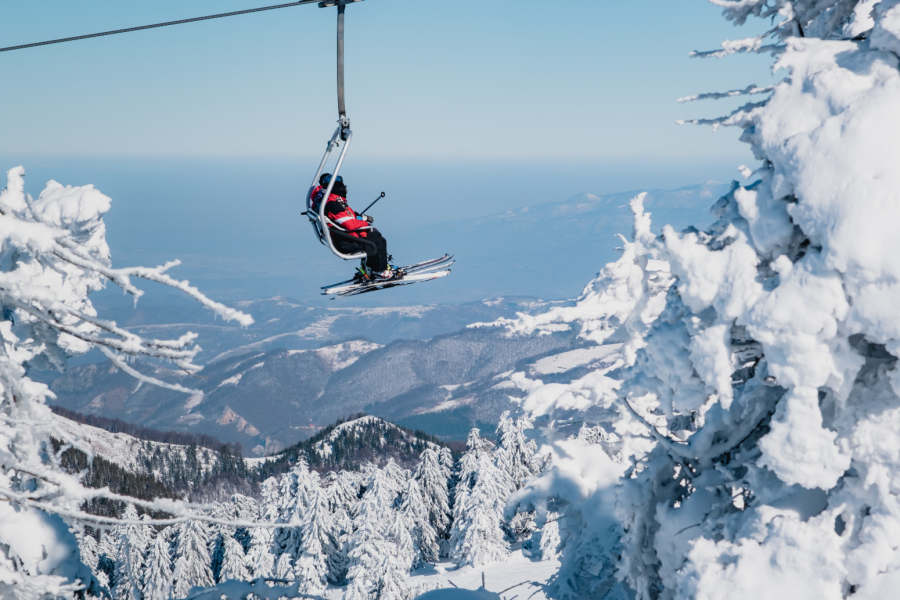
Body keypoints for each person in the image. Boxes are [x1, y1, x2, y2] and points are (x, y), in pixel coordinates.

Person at [310, 173, 396, 280]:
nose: (344, 188)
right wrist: (365, 224)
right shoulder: (333, 204)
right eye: (341, 186)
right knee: (379, 241)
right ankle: (379, 271)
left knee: (373, 234)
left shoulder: (325, 198)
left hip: (340, 236)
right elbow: (349, 224)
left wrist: (361, 217)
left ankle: (368, 268)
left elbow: (344, 216)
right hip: (345, 242)